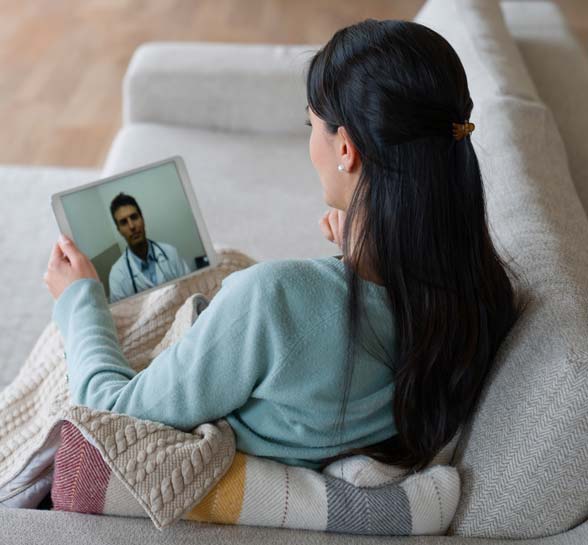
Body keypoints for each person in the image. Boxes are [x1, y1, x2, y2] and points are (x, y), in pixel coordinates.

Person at [43, 19, 523, 472]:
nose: (310, 141)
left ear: (345, 149)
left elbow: (111, 414)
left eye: (311, 125)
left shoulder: (273, 300)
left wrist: (78, 301)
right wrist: (363, 251)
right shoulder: (481, 294)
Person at [107, 192, 192, 303]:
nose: (132, 226)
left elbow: (191, 287)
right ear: (119, 230)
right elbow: (123, 317)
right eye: (124, 222)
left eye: (134, 217)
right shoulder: (117, 276)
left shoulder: (170, 253)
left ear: (142, 219)